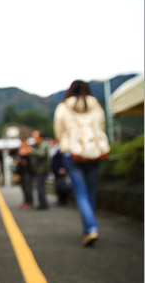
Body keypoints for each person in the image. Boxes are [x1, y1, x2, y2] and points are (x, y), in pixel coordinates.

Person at [53, 80, 109, 246]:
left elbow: (59, 131)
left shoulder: (63, 107)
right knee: (91, 190)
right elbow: (102, 127)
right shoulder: (96, 105)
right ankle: (90, 228)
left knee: (81, 192)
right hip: (95, 153)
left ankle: (90, 228)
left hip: (73, 152)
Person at [30, 130, 50, 210]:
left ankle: (43, 204)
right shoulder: (38, 145)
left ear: (40, 137)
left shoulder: (44, 145)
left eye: (35, 137)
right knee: (39, 187)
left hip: (42, 169)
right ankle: (43, 203)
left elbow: (41, 154)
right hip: (39, 169)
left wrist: (32, 151)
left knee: (40, 187)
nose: (34, 139)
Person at [50, 138, 70, 206]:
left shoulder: (61, 149)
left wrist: (63, 168)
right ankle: (60, 200)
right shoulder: (54, 149)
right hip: (56, 170)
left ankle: (63, 200)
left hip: (60, 170)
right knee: (58, 185)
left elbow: (63, 160)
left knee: (62, 185)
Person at [16, 137, 33, 209]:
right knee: (23, 187)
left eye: (24, 141)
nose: (23, 143)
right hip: (21, 172)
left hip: (28, 171)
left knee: (28, 187)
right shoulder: (20, 149)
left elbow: (30, 159)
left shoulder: (30, 149)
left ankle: (29, 203)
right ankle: (25, 202)